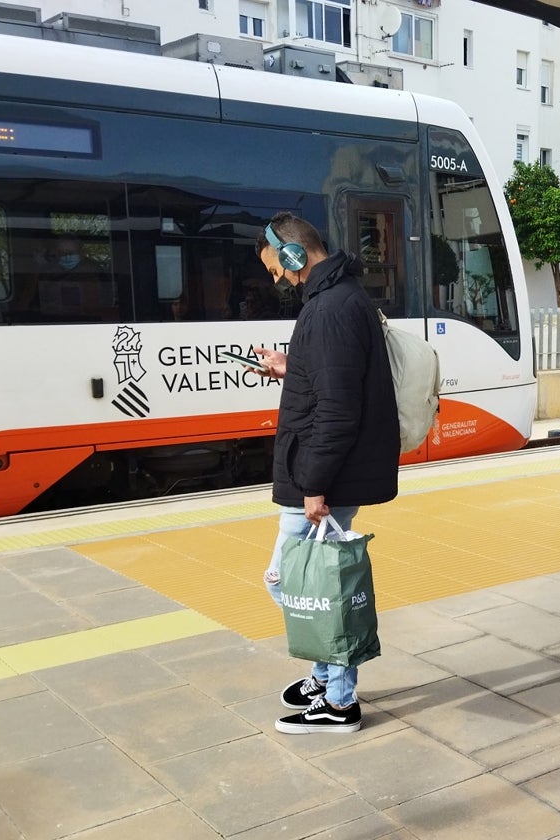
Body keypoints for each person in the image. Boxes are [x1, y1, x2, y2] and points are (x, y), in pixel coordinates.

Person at [250, 211, 400, 735]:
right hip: (320, 470)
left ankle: (339, 699)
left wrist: (314, 484)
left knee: (293, 582)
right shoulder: (336, 299)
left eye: (275, 269)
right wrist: (290, 365)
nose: (277, 280)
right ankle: (323, 676)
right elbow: (335, 375)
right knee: (312, 581)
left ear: (293, 255)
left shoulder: (332, 306)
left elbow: (338, 409)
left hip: (321, 475)